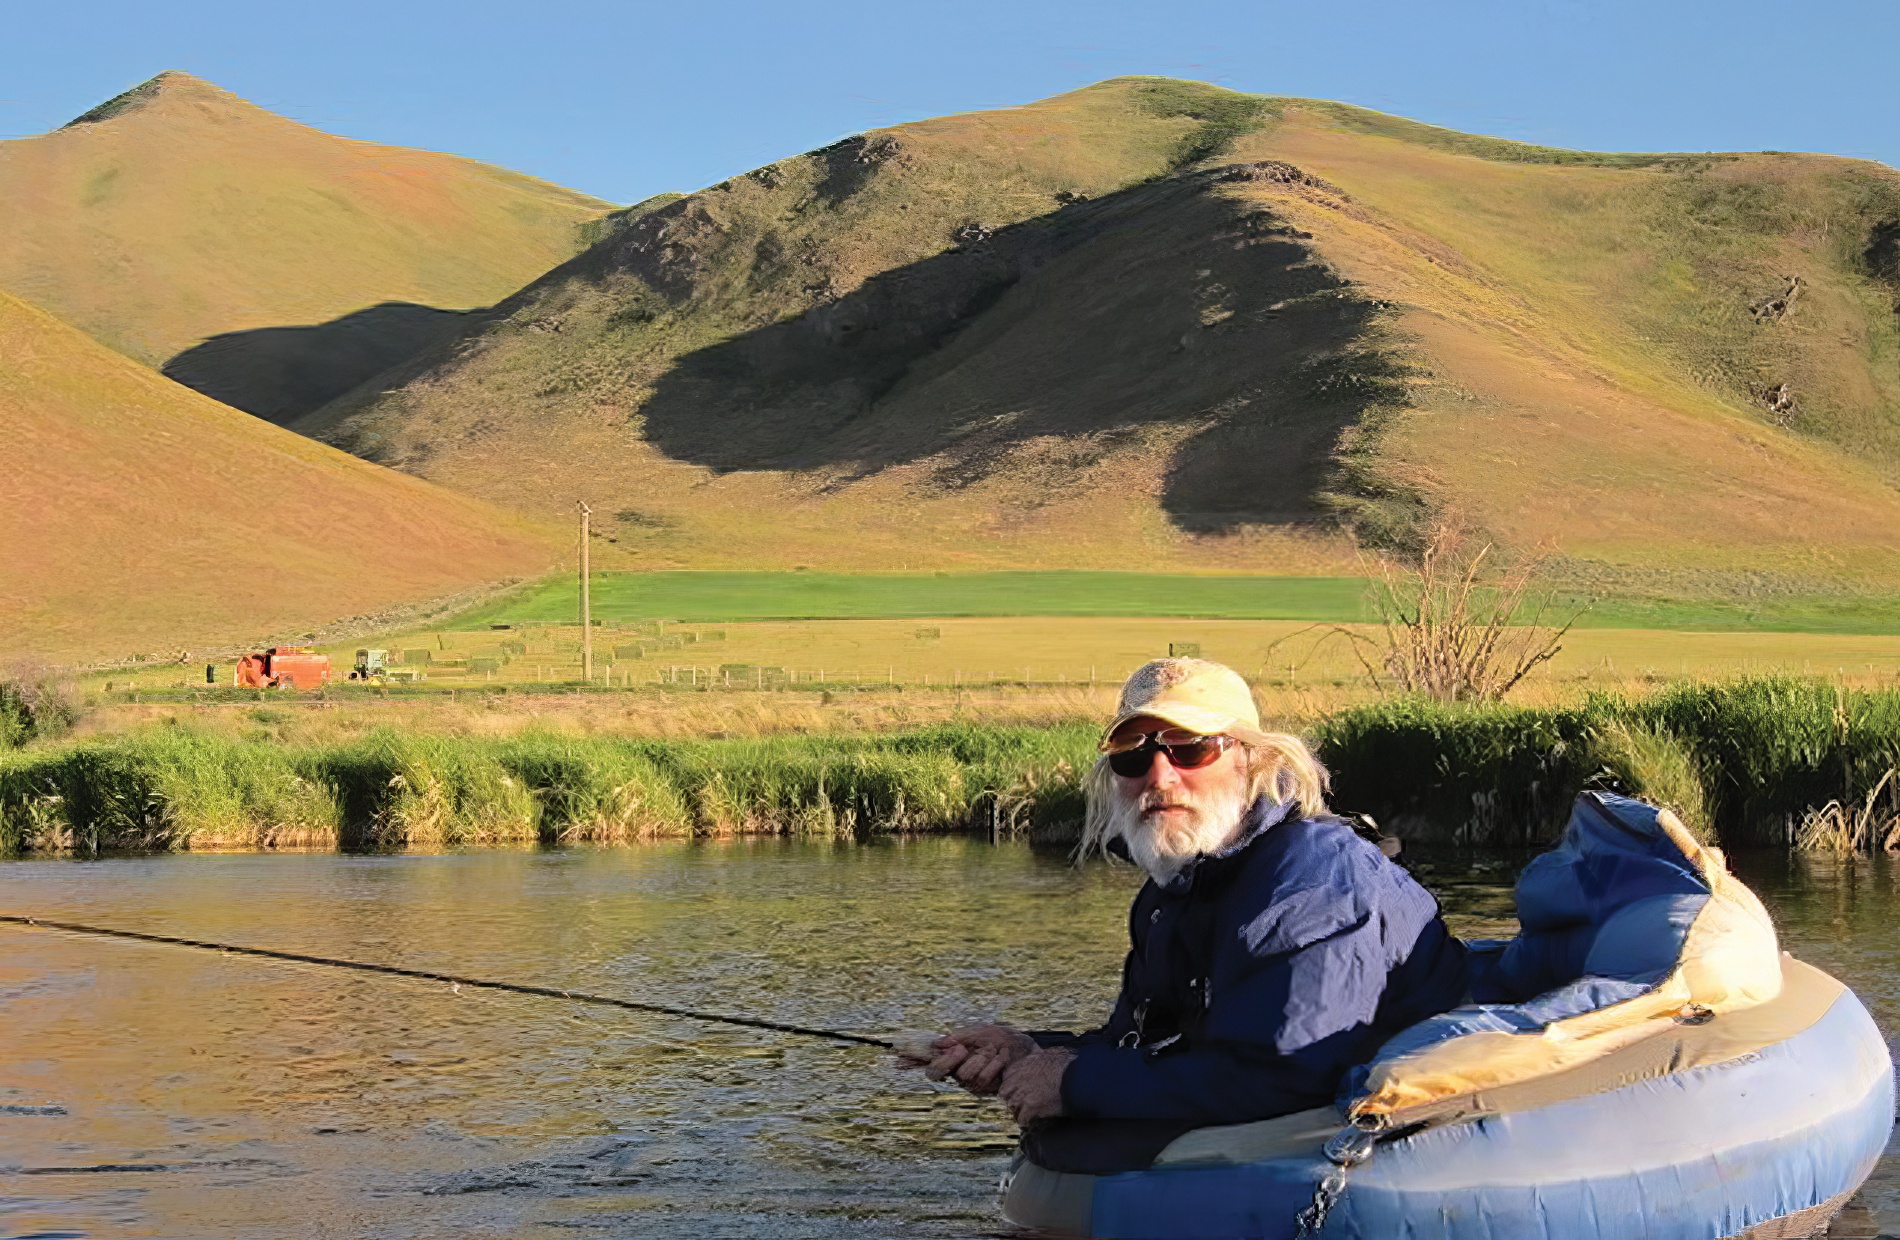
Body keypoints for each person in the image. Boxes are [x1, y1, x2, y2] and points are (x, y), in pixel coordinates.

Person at [903, 657, 1467, 1172]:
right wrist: (1029, 1050)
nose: (1159, 775)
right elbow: (1143, 1043)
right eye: (1133, 755)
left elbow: (1288, 1073)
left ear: (1256, 760)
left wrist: (1072, 1081)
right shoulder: (1171, 891)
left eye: (1190, 748)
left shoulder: (1313, 887)